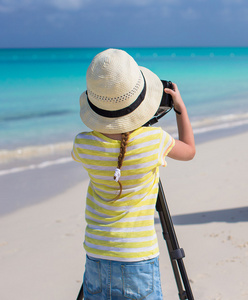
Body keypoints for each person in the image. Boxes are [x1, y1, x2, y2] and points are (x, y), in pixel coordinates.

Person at [71, 49, 195, 299]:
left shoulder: (82, 144)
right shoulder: (155, 141)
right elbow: (189, 150)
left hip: (96, 253)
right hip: (136, 256)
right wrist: (180, 108)